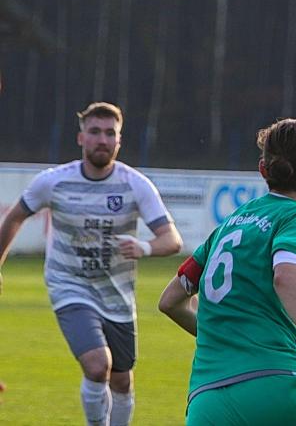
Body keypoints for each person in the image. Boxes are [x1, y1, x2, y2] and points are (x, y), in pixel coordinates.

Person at [158, 118, 296, 425]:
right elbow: (287, 275)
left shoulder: (231, 223)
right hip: (278, 383)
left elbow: (170, 300)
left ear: (263, 170)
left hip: (206, 399)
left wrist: (224, 336)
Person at [0, 102, 182, 425]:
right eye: (95, 132)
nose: (102, 139)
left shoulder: (135, 185)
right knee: (99, 365)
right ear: (81, 138)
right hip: (69, 286)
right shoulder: (53, 182)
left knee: (122, 381)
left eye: (110, 133)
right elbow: (14, 217)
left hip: (117, 296)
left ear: (119, 141)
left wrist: (143, 246)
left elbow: (172, 240)